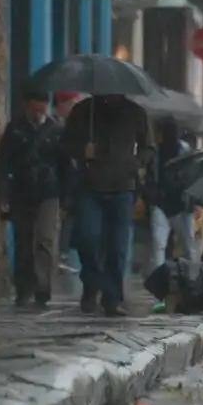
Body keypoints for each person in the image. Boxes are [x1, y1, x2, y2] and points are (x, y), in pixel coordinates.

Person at [63, 93, 152, 316]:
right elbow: (66, 142)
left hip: (123, 187)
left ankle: (112, 297)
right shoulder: (84, 110)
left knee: (118, 246)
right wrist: (82, 151)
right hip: (90, 185)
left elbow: (148, 146)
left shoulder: (135, 112)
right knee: (88, 236)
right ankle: (91, 284)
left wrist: (135, 163)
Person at [0, 87, 66, 307]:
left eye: (42, 106)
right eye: (35, 106)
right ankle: (23, 287)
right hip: (21, 193)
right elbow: (2, 163)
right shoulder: (15, 130)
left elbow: (64, 165)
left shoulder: (55, 131)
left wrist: (65, 194)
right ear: (27, 105)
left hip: (48, 193)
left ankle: (43, 287)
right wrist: (3, 193)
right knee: (23, 241)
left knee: (45, 240)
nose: (38, 111)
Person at [147, 117, 198, 271]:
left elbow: (193, 176)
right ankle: (160, 282)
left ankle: (194, 278)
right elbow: (150, 177)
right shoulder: (156, 152)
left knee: (189, 247)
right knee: (159, 244)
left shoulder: (185, 152)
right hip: (162, 204)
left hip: (181, 205)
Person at [54, 90, 83, 272]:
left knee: (70, 217)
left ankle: (63, 252)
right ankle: (61, 253)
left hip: (71, 180)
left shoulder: (72, 125)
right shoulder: (57, 126)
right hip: (60, 181)